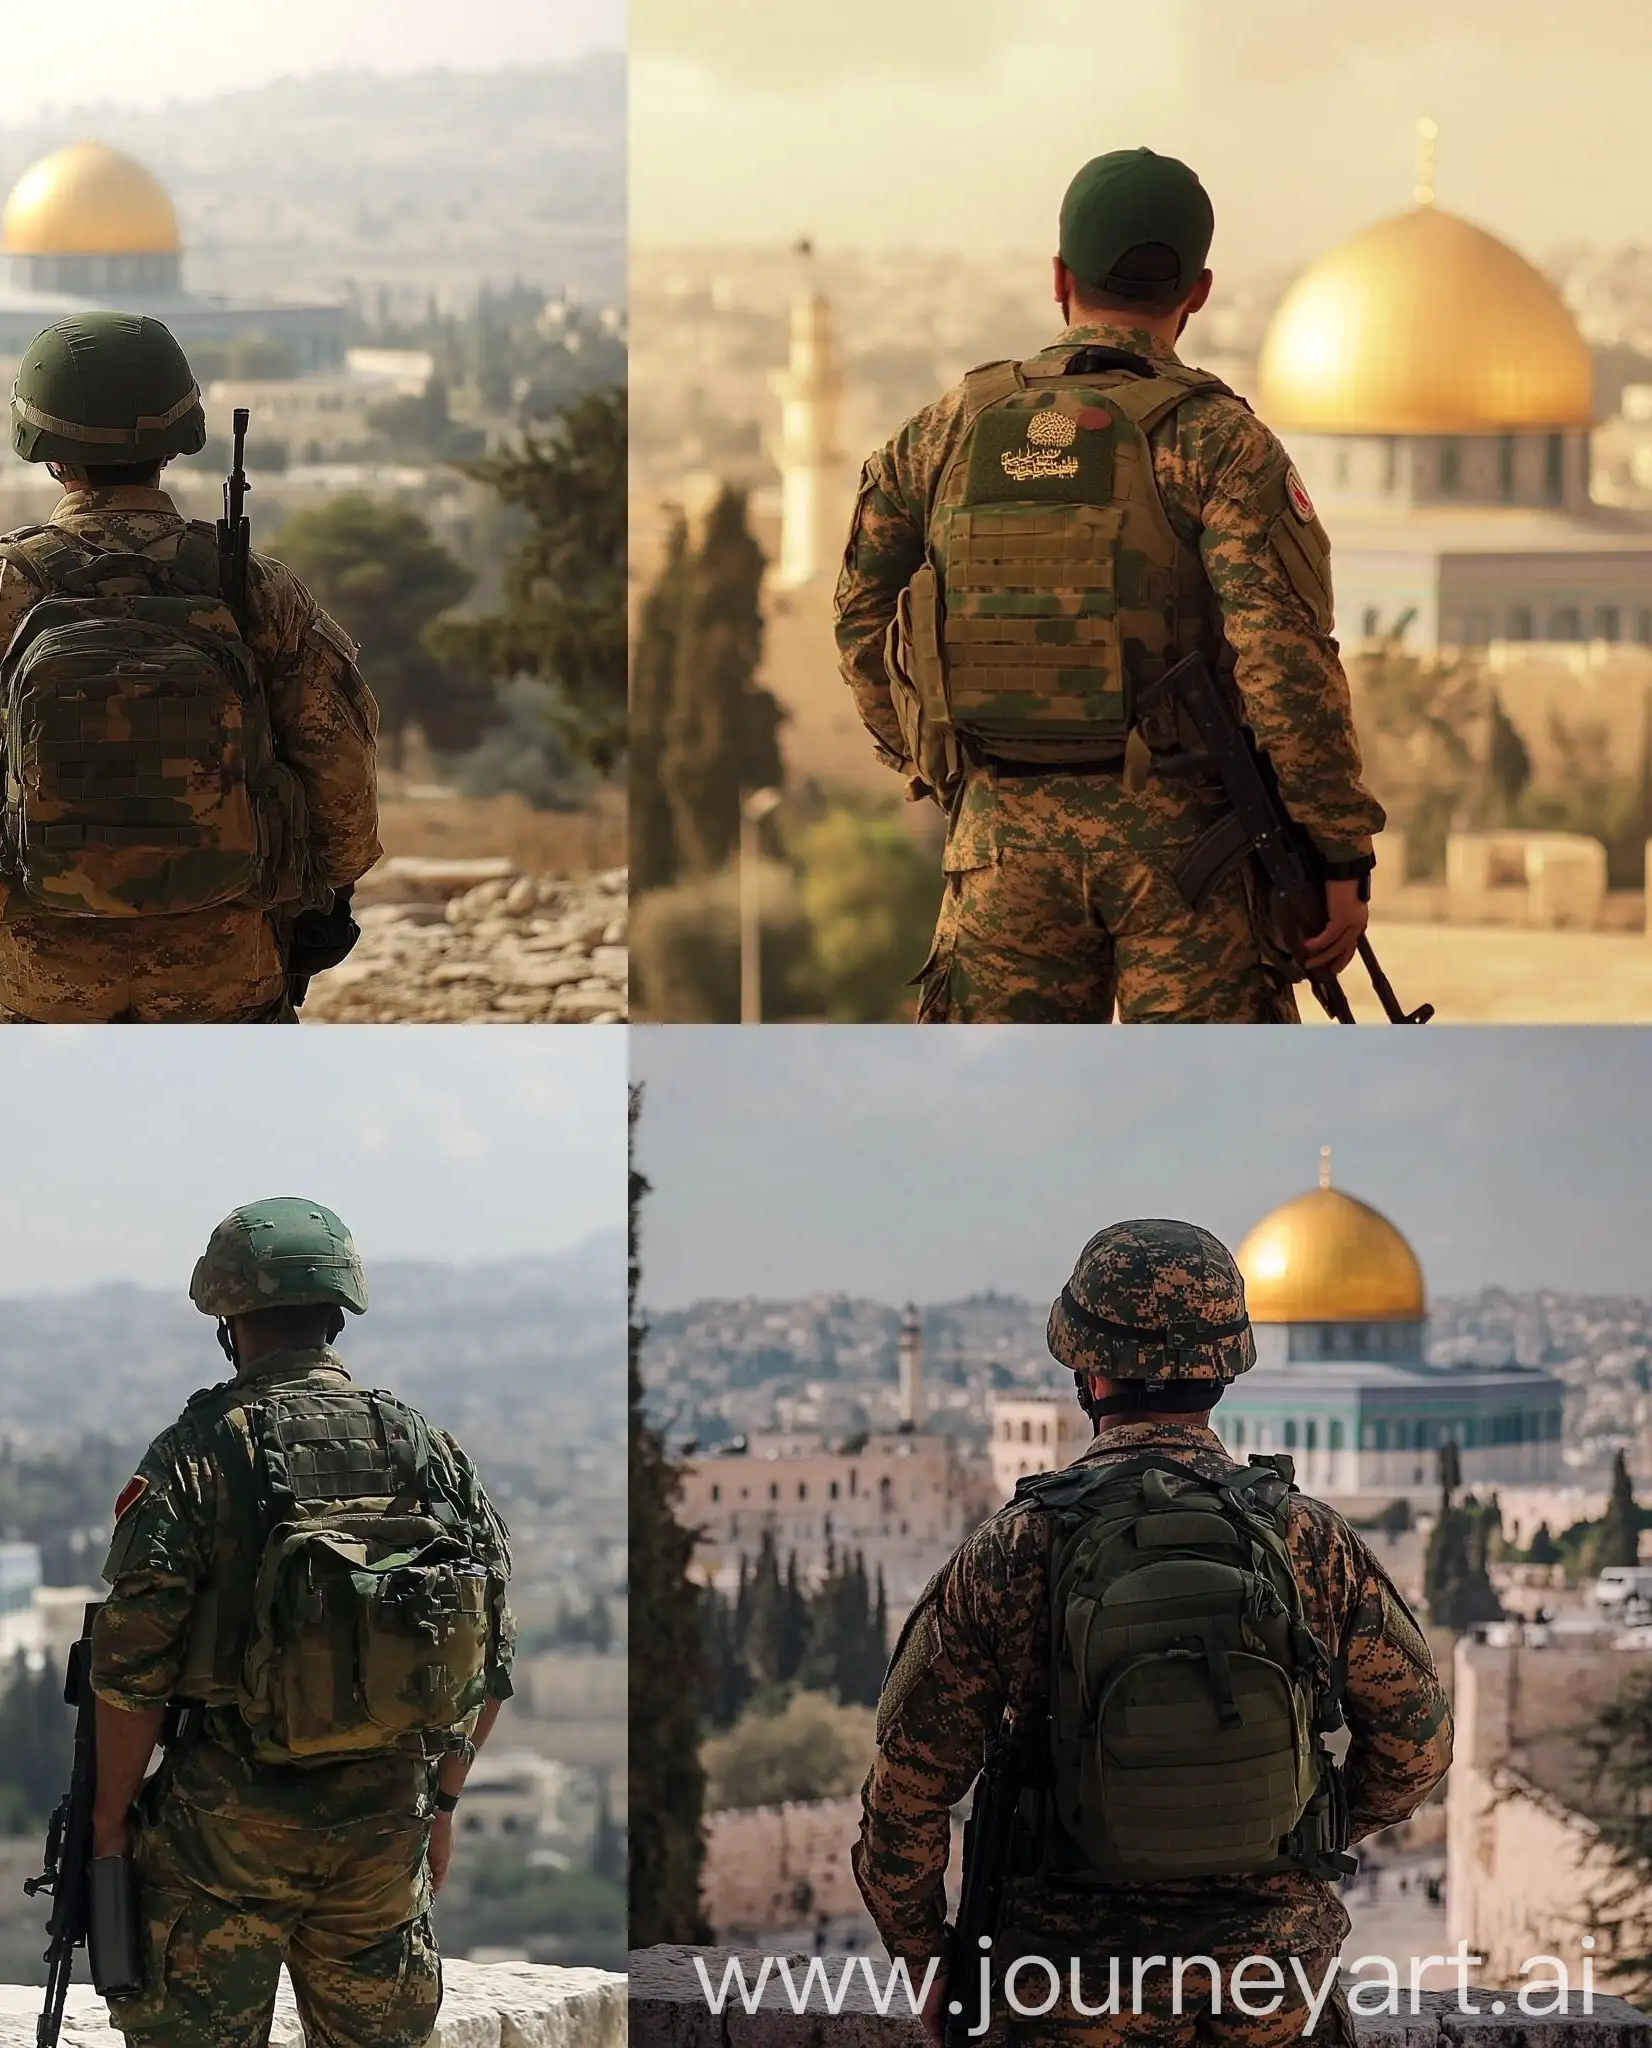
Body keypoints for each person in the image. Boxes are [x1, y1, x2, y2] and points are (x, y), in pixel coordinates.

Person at [855, 1219, 1452, 2047]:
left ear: (1086, 1371)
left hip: (1064, 1995)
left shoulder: (1012, 1553)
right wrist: (1301, 1823)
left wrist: (929, 1959)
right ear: (1224, 1368)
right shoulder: (1310, 1541)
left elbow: (907, 1793)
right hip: (1270, 1989)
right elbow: (1418, 1746)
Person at [834, 149, 1386, 1023]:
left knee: (1002, 1113)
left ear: (1059, 276)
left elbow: (860, 612)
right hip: (1185, 855)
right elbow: (1284, 663)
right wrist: (1338, 853)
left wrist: (934, 762)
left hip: (998, 849)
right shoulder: (1218, 444)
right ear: (1197, 291)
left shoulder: (948, 431)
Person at [88, 1197, 516, 2048]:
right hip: (383, 1831)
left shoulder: (196, 1455)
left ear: (228, 1317)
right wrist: (442, 1801)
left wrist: (108, 1821)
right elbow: (491, 1650)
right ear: (336, 1314)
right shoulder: (423, 1447)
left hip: (227, 1836)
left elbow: (131, 1669)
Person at [0, 313, 379, 1022]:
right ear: (176, 443)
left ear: (47, 451)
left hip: (37, 982)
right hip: (226, 974)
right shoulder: (257, 591)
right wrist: (300, 901)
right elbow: (343, 785)